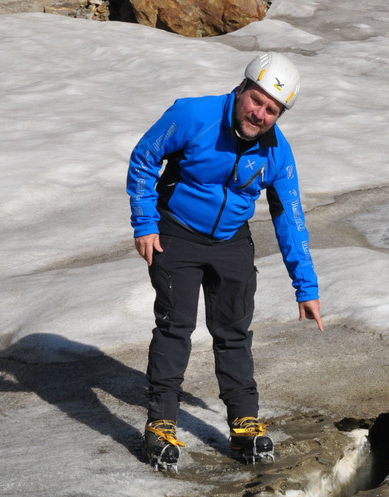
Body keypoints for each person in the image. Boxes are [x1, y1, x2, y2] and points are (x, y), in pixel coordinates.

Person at [126, 52, 323, 471]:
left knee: (233, 330)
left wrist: (305, 287)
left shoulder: (277, 152)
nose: (261, 113)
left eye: (273, 109)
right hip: (175, 231)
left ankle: (244, 425)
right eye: (257, 100)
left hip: (232, 240)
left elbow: (289, 216)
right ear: (242, 88)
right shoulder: (192, 114)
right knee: (176, 326)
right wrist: (145, 222)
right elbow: (144, 158)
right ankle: (160, 424)